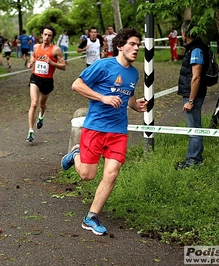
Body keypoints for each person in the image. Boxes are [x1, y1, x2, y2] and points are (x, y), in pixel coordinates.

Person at [61, 27, 147, 236]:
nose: (136, 48)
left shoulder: (134, 73)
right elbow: (76, 85)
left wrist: (137, 106)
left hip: (118, 132)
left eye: (138, 45)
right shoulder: (102, 65)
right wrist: (102, 97)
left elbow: (128, 97)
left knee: (111, 173)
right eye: (132, 44)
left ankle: (90, 217)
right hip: (95, 128)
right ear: (120, 46)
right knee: (87, 176)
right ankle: (75, 154)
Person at [175, 20, 210, 170]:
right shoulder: (194, 48)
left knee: (194, 128)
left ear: (185, 33)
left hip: (193, 95)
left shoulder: (196, 50)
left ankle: (192, 162)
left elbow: (196, 77)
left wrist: (190, 100)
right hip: (193, 94)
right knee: (195, 127)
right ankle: (196, 157)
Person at [26, 25, 66, 142]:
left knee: (41, 104)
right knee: (33, 104)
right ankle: (30, 131)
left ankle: (41, 115)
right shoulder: (36, 47)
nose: (47, 37)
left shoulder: (55, 50)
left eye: (49, 35)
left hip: (47, 81)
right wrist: (30, 63)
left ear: (52, 37)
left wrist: (52, 63)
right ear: (41, 35)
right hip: (35, 78)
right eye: (45, 35)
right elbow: (33, 57)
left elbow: (63, 66)